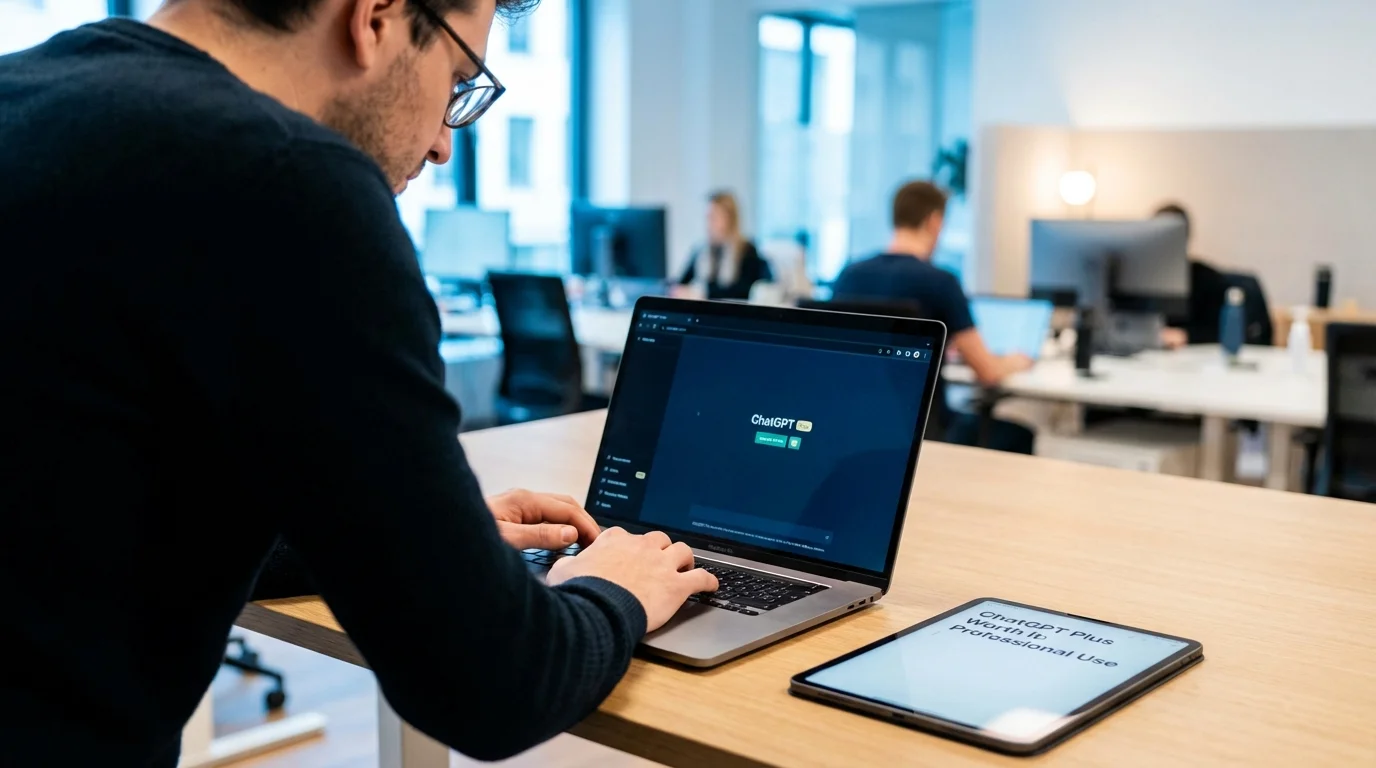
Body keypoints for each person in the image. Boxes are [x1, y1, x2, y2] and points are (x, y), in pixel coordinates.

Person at [0, 1, 717, 765]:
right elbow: (493, 687)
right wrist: (617, 589)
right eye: (458, 83)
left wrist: (411, 535)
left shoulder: (26, 95)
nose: (446, 144)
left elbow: (89, 506)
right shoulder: (291, 187)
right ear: (373, 17)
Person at [831, 181, 1035, 454]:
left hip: (853, 425)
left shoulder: (849, 276)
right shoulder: (940, 282)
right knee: (1019, 435)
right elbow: (987, 371)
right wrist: (1016, 361)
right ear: (935, 222)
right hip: (921, 431)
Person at [1153, 202, 1230, 348]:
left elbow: (1218, 332)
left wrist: (1185, 335)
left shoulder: (1208, 280)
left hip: (1193, 360)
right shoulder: (1138, 280)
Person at [676, 191, 773, 301]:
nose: (708, 223)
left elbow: (744, 290)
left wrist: (704, 292)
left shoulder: (746, 249)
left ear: (729, 219)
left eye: (713, 217)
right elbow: (681, 282)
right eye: (707, 217)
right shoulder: (701, 250)